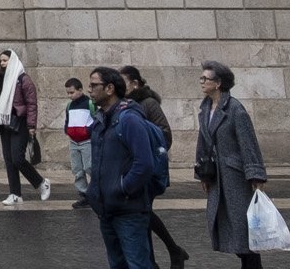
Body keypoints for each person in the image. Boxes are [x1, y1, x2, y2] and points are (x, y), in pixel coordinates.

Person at [88, 69, 167, 269]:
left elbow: (144, 163)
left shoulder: (129, 119)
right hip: (106, 209)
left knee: (138, 264)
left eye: (94, 85)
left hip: (128, 209)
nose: (89, 90)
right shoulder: (100, 120)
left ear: (109, 89)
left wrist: (123, 188)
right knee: (117, 264)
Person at [192, 62, 266, 269]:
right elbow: (202, 142)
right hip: (216, 177)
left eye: (205, 79)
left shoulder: (235, 109)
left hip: (236, 178)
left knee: (243, 229)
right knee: (226, 226)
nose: (202, 82)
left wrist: (256, 175)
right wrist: (203, 175)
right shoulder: (205, 109)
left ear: (218, 83)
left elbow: (248, 143)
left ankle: (252, 266)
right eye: (202, 78)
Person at [122, 67, 190, 269]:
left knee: (141, 214)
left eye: (122, 81)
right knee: (142, 214)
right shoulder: (125, 105)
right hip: (132, 169)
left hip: (147, 169)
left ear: (134, 83)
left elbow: (165, 135)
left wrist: (144, 152)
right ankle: (170, 252)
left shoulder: (148, 103)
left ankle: (161, 256)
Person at [0, 48, 46, 204]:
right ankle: (15, 194)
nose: (2, 63)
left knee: (17, 159)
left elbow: (31, 104)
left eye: (5, 60)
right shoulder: (2, 79)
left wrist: (31, 125)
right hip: (5, 123)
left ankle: (40, 183)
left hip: (19, 122)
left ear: (12, 61)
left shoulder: (23, 79)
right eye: (0, 61)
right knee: (9, 160)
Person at [62, 79, 96, 206]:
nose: (69, 95)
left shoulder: (90, 103)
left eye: (72, 92)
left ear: (80, 90)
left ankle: (97, 191)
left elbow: (96, 119)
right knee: (77, 170)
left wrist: (88, 131)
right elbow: (68, 120)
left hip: (87, 141)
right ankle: (84, 195)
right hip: (74, 142)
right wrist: (67, 130)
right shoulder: (69, 106)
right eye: (68, 93)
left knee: (89, 167)